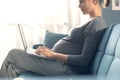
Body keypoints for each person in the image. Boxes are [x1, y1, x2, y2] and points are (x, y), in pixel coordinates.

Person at [0, 0, 110, 79]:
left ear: (94, 1)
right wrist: (50, 51)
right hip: (58, 62)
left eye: (82, 2)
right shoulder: (92, 21)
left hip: (66, 69)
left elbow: (83, 60)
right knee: (12, 65)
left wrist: (53, 55)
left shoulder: (96, 24)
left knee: (13, 54)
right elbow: (74, 48)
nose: (79, 6)